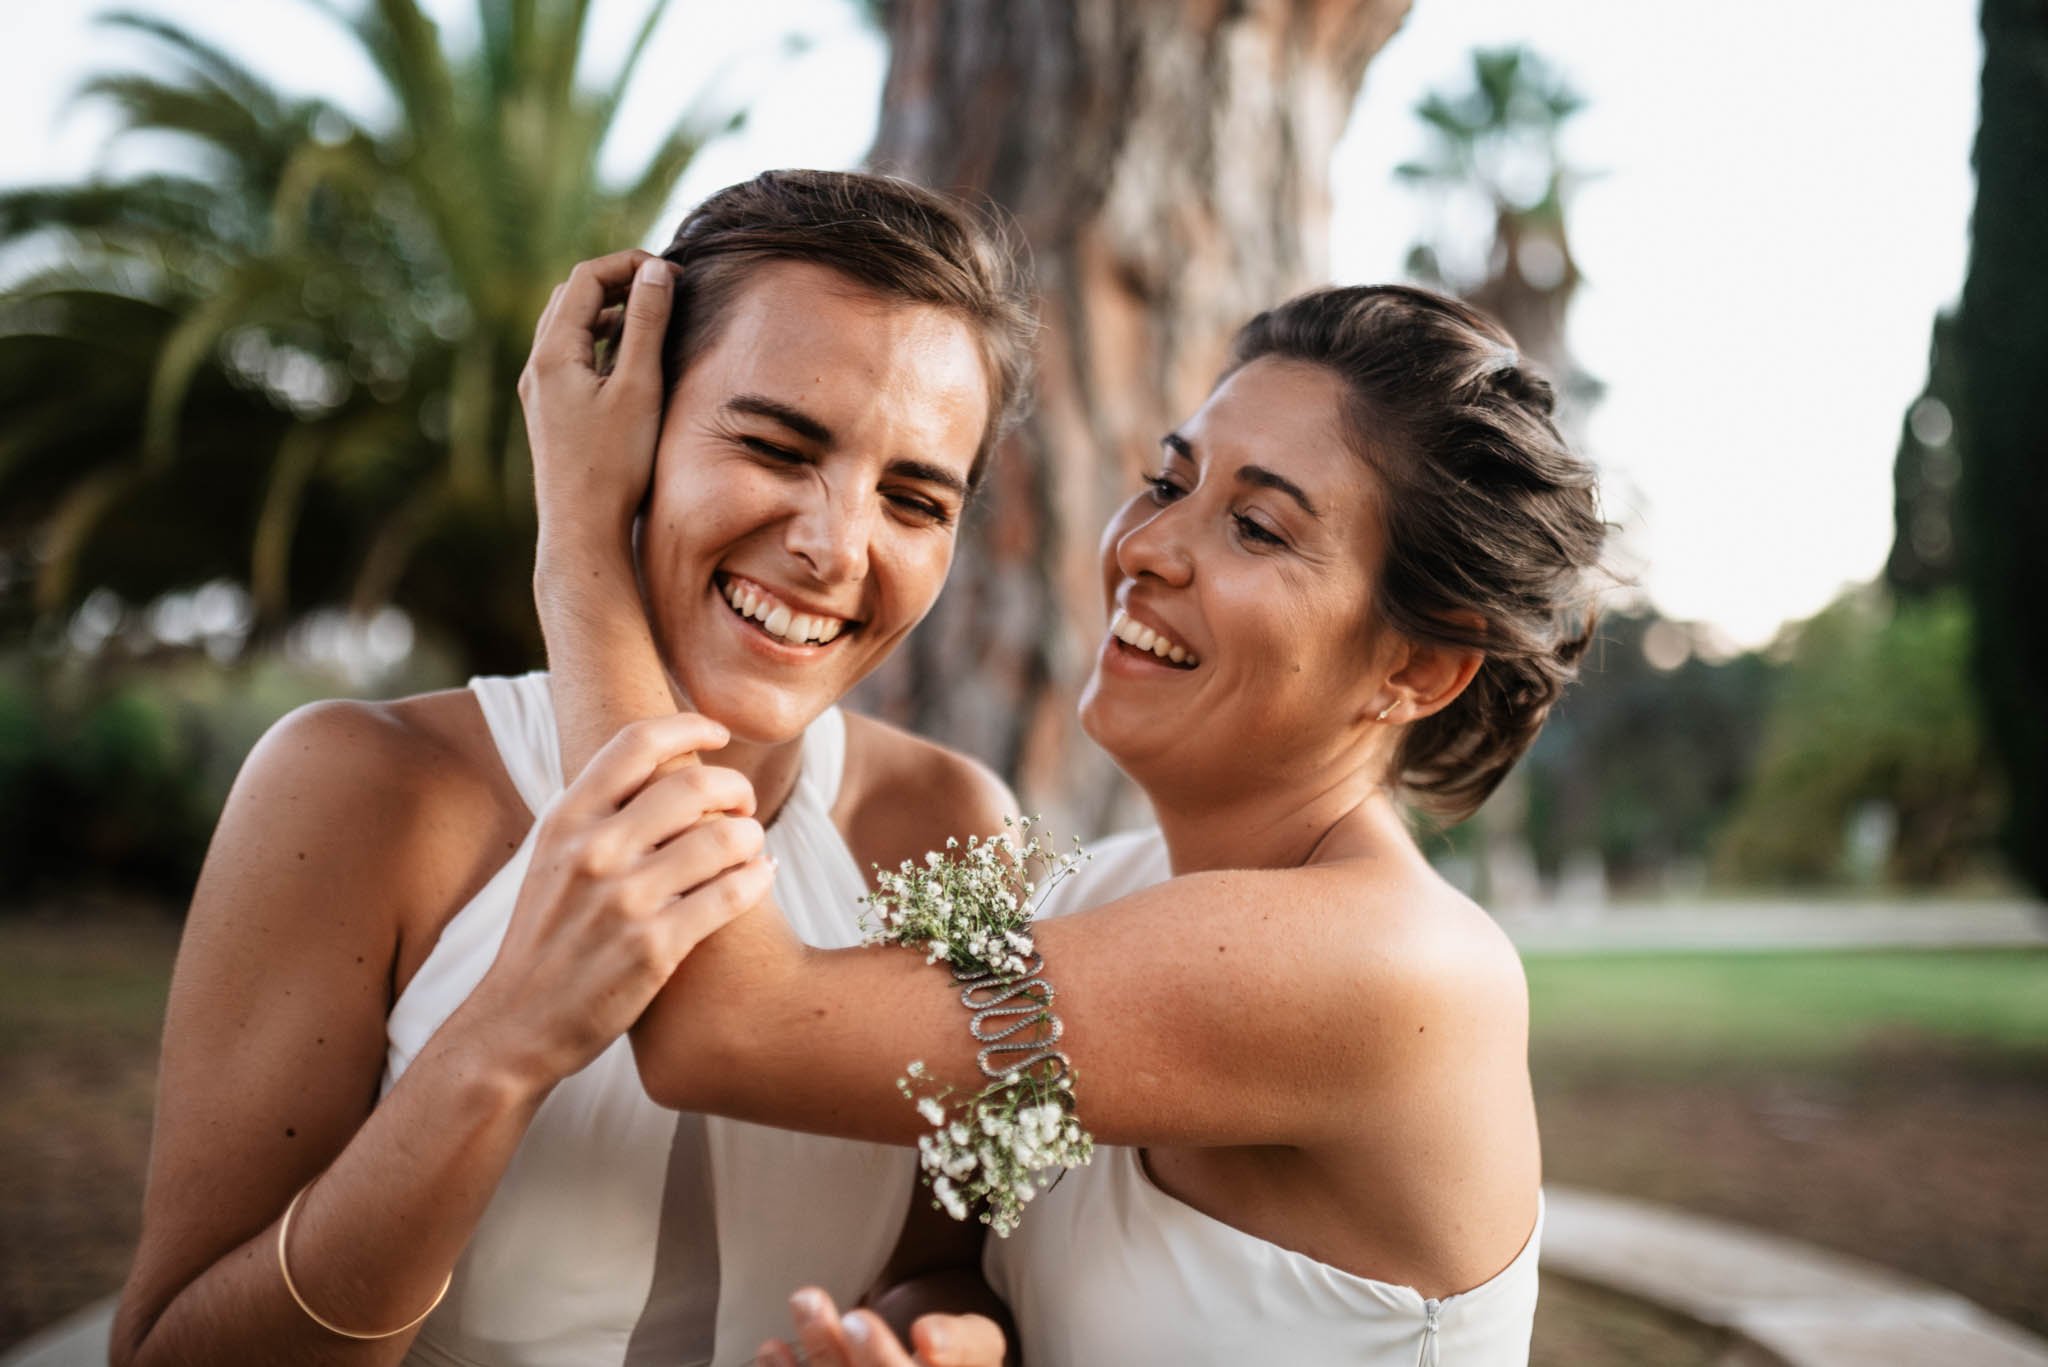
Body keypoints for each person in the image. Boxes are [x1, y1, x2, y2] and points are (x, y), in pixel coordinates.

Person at [527, 272, 1607, 1364]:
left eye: (1255, 526)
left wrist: (580, 533)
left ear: (1418, 664)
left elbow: (721, 1021)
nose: (1146, 547)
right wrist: (944, 1337)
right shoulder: (1093, 897)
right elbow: (966, 1265)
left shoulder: (1389, 962)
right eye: (1165, 481)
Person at [109, 170, 1037, 1367]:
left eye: (914, 497)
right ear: (627, 427)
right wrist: (504, 1040)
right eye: (771, 443)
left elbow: (950, 1262)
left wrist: (929, 1342)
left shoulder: (956, 824)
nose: (833, 545)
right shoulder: (357, 788)